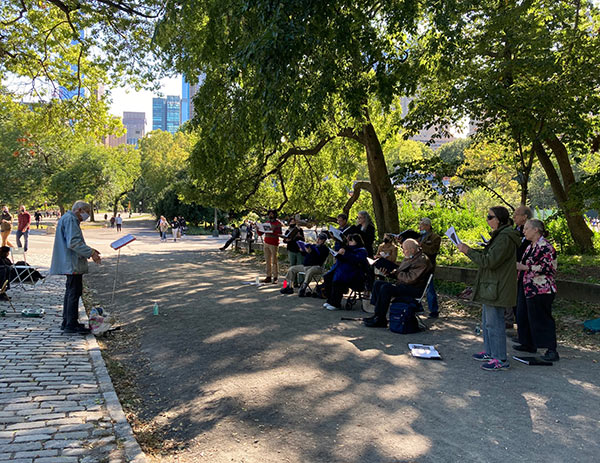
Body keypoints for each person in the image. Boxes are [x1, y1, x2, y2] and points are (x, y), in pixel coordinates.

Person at [458, 206, 520, 371]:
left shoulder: (505, 238)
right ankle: (491, 352)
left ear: (498, 219)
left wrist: (468, 251)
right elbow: (489, 257)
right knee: (487, 322)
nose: (487, 219)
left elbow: (490, 261)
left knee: (495, 323)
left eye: (490, 216)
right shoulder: (500, 236)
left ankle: (500, 358)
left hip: (498, 286)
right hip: (491, 285)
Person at [49, 201, 101, 335]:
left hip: (70, 261)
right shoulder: (71, 220)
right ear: (79, 210)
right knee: (74, 292)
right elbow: (74, 243)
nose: (87, 216)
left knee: (71, 291)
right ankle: (70, 324)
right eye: (86, 212)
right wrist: (91, 252)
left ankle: (68, 321)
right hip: (71, 262)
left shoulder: (67, 218)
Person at [514, 219, 560, 362]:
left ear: (536, 230)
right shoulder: (530, 246)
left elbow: (550, 268)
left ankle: (551, 350)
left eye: (527, 228)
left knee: (543, 318)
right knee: (523, 315)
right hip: (527, 286)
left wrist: (527, 268)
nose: (524, 231)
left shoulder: (546, 247)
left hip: (541, 288)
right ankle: (528, 343)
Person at [364, 239, 433, 327]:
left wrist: (396, 274)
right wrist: (389, 273)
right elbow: (400, 272)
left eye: (404, 249)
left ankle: (380, 319)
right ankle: (377, 314)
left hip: (414, 288)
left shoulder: (422, 261)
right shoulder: (412, 256)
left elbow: (411, 278)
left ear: (412, 250)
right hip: (406, 285)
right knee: (378, 283)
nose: (403, 252)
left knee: (386, 288)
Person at [322, 233, 369, 311]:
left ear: (357, 242)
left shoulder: (362, 250)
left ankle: (335, 303)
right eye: (349, 241)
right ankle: (330, 300)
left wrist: (345, 253)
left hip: (354, 275)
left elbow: (356, 260)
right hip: (343, 271)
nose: (350, 243)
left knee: (339, 280)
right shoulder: (347, 248)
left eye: (352, 241)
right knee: (328, 277)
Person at [507, 205, 533, 329]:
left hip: (525, 272)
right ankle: (522, 332)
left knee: (523, 304)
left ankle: (525, 332)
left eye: (517, 214)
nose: (514, 217)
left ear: (525, 217)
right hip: (514, 269)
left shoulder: (530, 235)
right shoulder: (515, 230)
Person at [418, 218, 442, 318]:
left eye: (422, 225)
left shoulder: (435, 237)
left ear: (428, 226)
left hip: (428, 266)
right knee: (416, 286)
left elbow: (432, 250)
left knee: (429, 288)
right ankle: (417, 307)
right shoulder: (418, 236)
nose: (420, 228)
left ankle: (434, 310)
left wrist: (420, 245)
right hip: (418, 265)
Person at [257, 210, 283, 283]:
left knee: (274, 261)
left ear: (275, 215)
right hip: (266, 242)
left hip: (274, 243)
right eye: (269, 214)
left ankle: (275, 277)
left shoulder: (278, 223)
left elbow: (280, 233)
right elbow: (260, 234)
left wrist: (273, 230)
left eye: (272, 214)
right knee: (267, 260)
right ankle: (268, 276)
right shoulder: (267, 223)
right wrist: (257, 228)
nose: (270, 215)